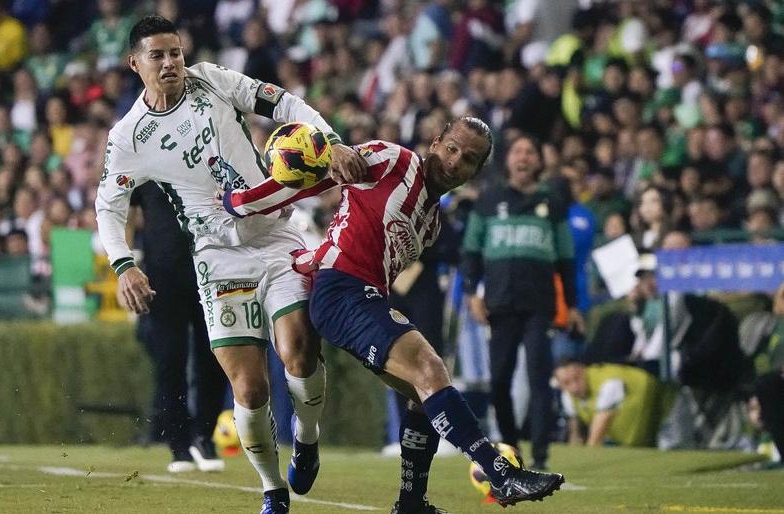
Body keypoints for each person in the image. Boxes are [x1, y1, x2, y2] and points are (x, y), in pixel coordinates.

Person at [223, 117, 565, 511]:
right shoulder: (392, 159)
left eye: (468, 159)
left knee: (426, 394)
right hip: (340, 289)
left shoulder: (432, 222)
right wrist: (242, 202)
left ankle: (411, 502)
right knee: (430, 369)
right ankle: (501, 474)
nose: (455, 162)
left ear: (475, 172)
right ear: (435, 142)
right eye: (451, 148)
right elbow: (314, 176)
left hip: (366, 297)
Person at [95, 15, 364, 514]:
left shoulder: (213, 79)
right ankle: (271, 489)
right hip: (217, 258)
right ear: (134, 64)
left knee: (299, 351)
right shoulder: (129, 136)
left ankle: (306, 436)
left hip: (277, 234)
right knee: (249, 385)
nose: (171, 62)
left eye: (174, 52)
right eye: (157, 55)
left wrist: (330, 139)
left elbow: (281, 101)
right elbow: (107, 207)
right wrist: (123, 264)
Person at [461, 134, 583, 470]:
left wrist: (572, 305)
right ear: (508, 159)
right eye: (518, 151)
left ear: (539, 161)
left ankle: (542, 456)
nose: (524, 157)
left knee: (539, 376)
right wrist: (472, 294)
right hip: (499, 303)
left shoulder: (553, 202)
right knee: (500, 379)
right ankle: (511, 448)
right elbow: (470, 251)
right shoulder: (488, 200)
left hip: (539, 304)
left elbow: (566, 259)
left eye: (531, 151)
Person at [129, 181, 227, 473]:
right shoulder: (143, 160)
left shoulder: (201, 151)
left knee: (215, 356)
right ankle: (178, 445)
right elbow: (127, 211)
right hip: (161, 276)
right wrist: (128, 266)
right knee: (169, 361)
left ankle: (204, 436)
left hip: (209, 269)